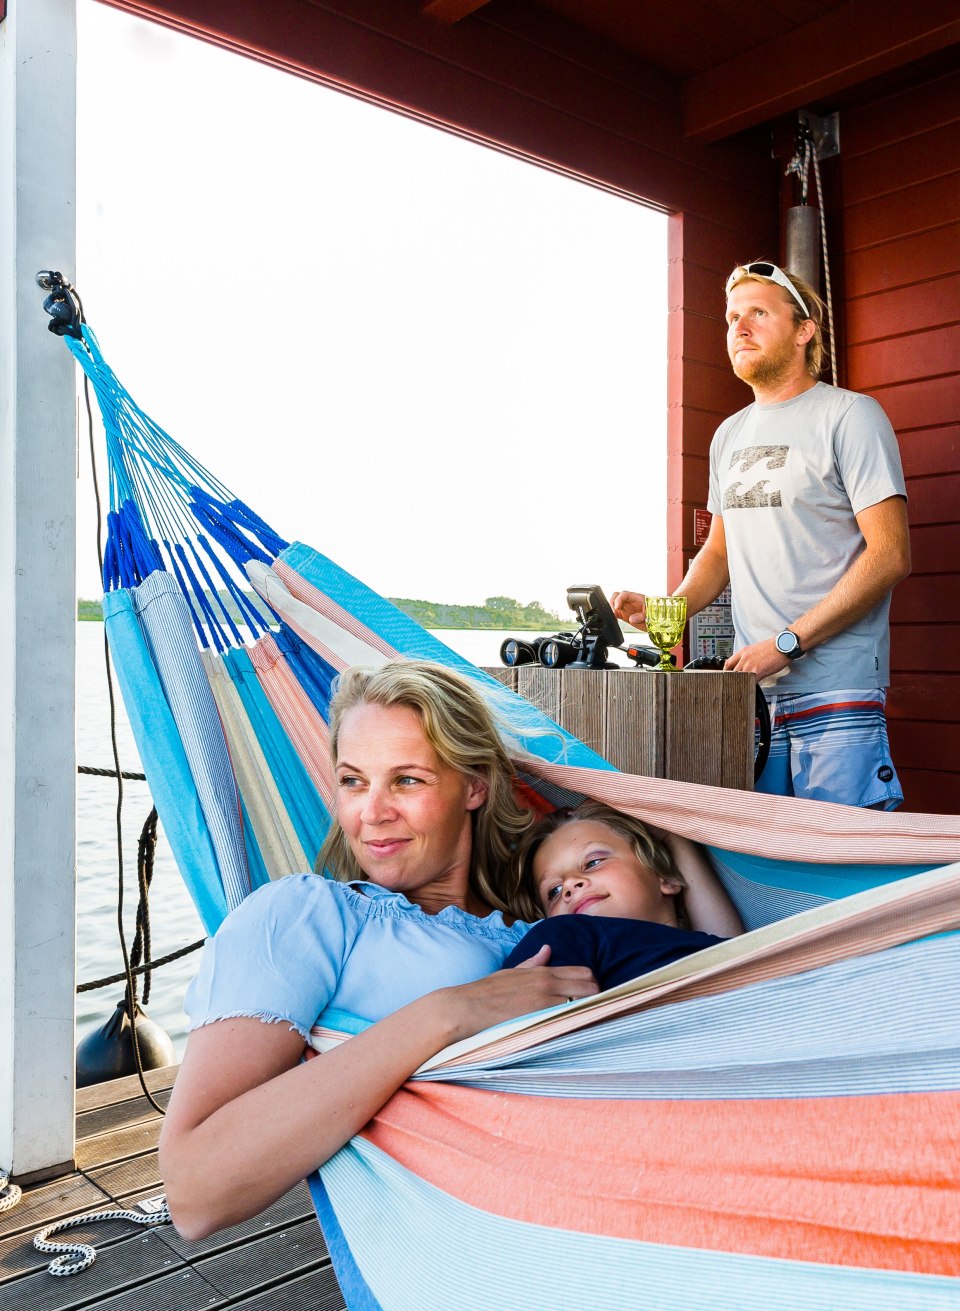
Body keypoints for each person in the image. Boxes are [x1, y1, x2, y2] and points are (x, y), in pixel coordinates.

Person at [158, 660, 598, 1241]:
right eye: (353, 781)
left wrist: (683, 844)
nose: (372, 813)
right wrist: (447, 1014)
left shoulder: (543, 915)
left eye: (407, 780)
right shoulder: (306, 915)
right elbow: (195, 1189)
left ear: (474, 785)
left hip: (594, 1198)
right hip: (465, 1245)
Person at [612, 260, 911, 810]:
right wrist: (669, 609)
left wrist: (786, 643)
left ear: (804, 330)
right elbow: (720, 551)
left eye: (758, 313)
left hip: (836, 688)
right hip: (754, 692)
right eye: (730, 318)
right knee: (768, 859)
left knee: (840, 854)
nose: (739, 328)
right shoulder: (729, 434)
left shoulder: (850, 416)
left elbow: (890, 555)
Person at [502, 801, 744, 989]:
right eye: (553, 891)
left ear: (665, 878)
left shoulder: (705, 948)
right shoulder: (564, 933)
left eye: (593, 862)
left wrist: (674, 839)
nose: (569, 885)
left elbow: (739, 953)